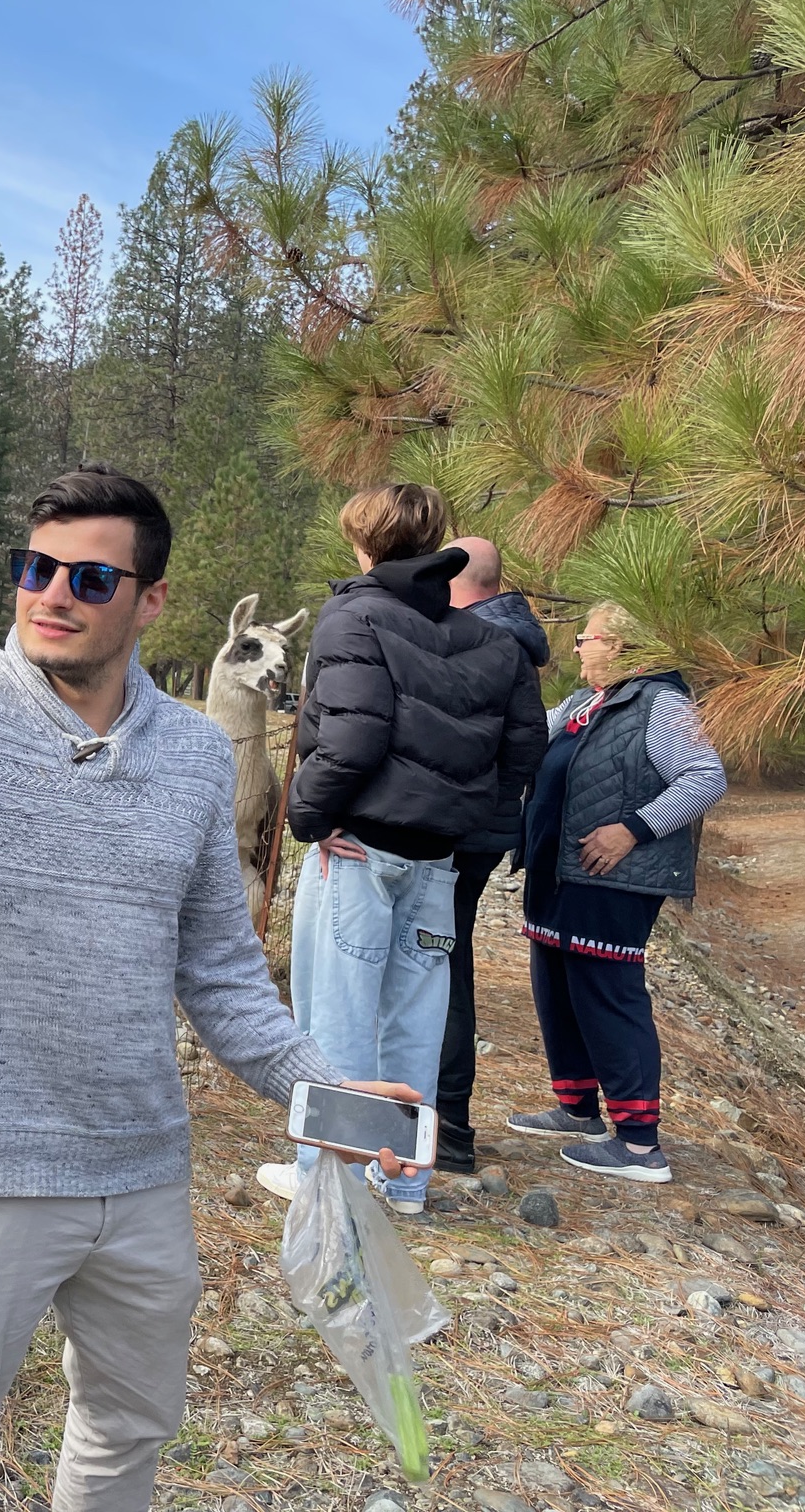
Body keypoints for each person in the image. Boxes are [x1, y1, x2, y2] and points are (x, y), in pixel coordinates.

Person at [0, 467, 416, 1512]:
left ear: (150, 599)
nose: (50, 595)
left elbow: (218, 970)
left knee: (128, 1429)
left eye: (87, 578)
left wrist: (324, 1097)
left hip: (139, 1178)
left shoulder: (189, 756)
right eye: (33, 569)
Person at [256, 485, 545, 1215]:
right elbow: (523, 749)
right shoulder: (493, 639)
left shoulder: (353, 615)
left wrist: (311, 817)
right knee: (416, 1019)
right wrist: (464, 822)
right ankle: (406, 1180)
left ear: (364, 543)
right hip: (436, 862)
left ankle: (333, 1178)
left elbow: (350, 735)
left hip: (358, 851)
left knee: (335, 1017)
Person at [506, 601, 726, 1183]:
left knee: (607, 994)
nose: (577, 647)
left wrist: (634, 829)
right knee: (557, 986)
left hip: (614, 878)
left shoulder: (662, 702)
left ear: (621, 646)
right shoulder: (585, 704)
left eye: (587, 637)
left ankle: (637, 1145)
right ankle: (578, 1110)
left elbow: (706, 778)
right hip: (561, 870)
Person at [433, 536, 550, 1173]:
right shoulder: (515, 643)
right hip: (479, 836)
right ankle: (445, 1121)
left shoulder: (472, 644)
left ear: (453, 576)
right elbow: (528, 744)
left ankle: (445, 1128)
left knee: (434, 968)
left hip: (447, 838)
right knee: (450, 960)